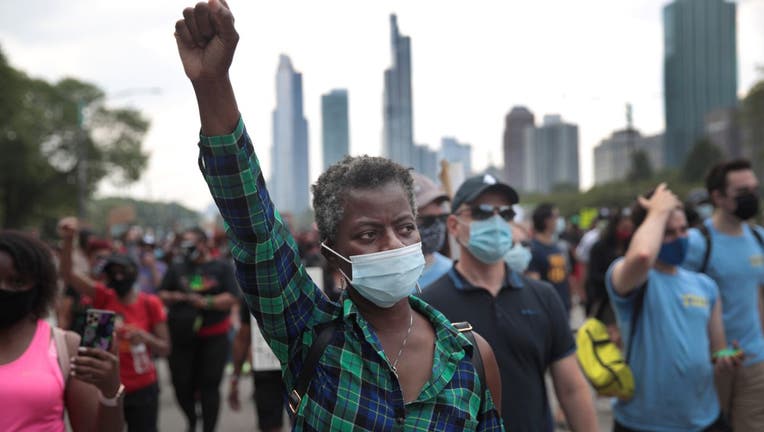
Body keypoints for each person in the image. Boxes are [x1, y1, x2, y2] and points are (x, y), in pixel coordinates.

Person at [173, 2, 504, 429]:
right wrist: (213, 83)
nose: (394, 244)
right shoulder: (310, 333)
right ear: (333, 255)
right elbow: (252, 223)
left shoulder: (471, 356)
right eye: (368, 234)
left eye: (405, 228)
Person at [420, 174, 598, 432]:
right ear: (454, 225)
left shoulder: (543, 296)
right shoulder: (429, 304)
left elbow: (571, 388)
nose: (495, 221)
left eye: (504, 214)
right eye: (481, 213)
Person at [607, 184, 737, 432]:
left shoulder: (705, 286)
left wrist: (726, 358)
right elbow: (643, 254)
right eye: (668, 232)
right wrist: (658, 211)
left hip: (704, 419)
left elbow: (717, 351)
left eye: (683, 229)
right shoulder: (629, 277)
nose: (679, 238)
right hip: (643, 423)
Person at [0, 230, 125, 431]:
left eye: (17, 281)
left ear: (39, 286)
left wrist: (110, 392)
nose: (4, 289)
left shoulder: (65, 347)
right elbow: (68, 275)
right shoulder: (97, 291)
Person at [59, 218, 170, 432]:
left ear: (133, 273)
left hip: (143, 387)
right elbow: (67, 275)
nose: (117, 276)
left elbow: (165, 348)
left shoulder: (150, 303)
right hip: (107, 386)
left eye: (122, 271)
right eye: (112, 272)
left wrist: (145, 337)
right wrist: (68, 240)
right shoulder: (103, 298)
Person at [682, 159, 764, 431]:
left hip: (754, 363)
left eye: (754, 188)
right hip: (709, 365)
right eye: (743, 192)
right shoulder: (696, 243)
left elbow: (759, 296)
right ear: (717, 197)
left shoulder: (759, 238)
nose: (752, 197)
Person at [158, 227, 239, 432]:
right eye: (183, 245)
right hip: (182, 337)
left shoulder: (221, 267)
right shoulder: (177, 267)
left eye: (191, 245)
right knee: (181, 385)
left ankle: (208, 428)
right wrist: (176, 297)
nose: (187, 250)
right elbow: (161, 293)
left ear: (203, 244)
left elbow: (232, 298)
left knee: (209, 387)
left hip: (214, 337)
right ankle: (192, 420)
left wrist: (205, 302)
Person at [229, 298, 285, 432]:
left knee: (271, 425)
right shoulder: (317, 283)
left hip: (268, 365)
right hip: (301, 366)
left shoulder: (255, 285)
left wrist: (235, 380)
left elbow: (243, 337)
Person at [584, 209, 634, 333]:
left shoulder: (632, 246)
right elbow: (593, 275)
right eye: (623, 226)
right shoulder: (600, 247)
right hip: (606, 303)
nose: (627, 230)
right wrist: (615, 279)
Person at [529, 202, 572, 312]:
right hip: (547, 309)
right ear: (546, 221)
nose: (558, 221)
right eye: (556, 217)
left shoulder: (556, 247)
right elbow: (534, 285)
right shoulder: (534, 249)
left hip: (563, 305)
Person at [411, 171, 452, 288]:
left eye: (442, 218)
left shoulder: (452, 274)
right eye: (427, 220)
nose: (437, 226)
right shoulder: (380, 279)